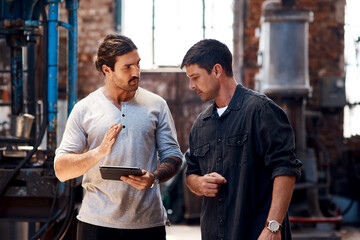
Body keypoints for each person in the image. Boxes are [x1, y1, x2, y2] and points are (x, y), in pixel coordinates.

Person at [54, 34, 183, 240]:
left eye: (138, 64)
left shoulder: (157, 105)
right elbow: (61, 170)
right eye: (127, 67)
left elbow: (174, 156)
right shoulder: (84, 109)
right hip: (95, 225)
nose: (136, 72)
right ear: (107, 70)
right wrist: (98, 153)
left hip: (148, 224)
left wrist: (154, 178)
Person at [181, 39, 302, 240]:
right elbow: (191, 173)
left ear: (217, 71)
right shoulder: (200, 125)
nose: (191, 85)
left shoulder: (262, 111)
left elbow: (285, 169)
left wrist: (273, 227)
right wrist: (200, 183)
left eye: (195, 77)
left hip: (258, 233)